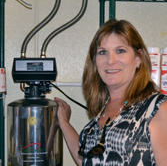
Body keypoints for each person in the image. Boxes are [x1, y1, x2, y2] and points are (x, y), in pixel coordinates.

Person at [54, 19, 167, 166]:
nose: (110, 60)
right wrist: (64, 123)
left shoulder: (158, 108)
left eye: (120, 51)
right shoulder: (102, 109)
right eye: (102, 52)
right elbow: (89, 159)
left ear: (138, 58)